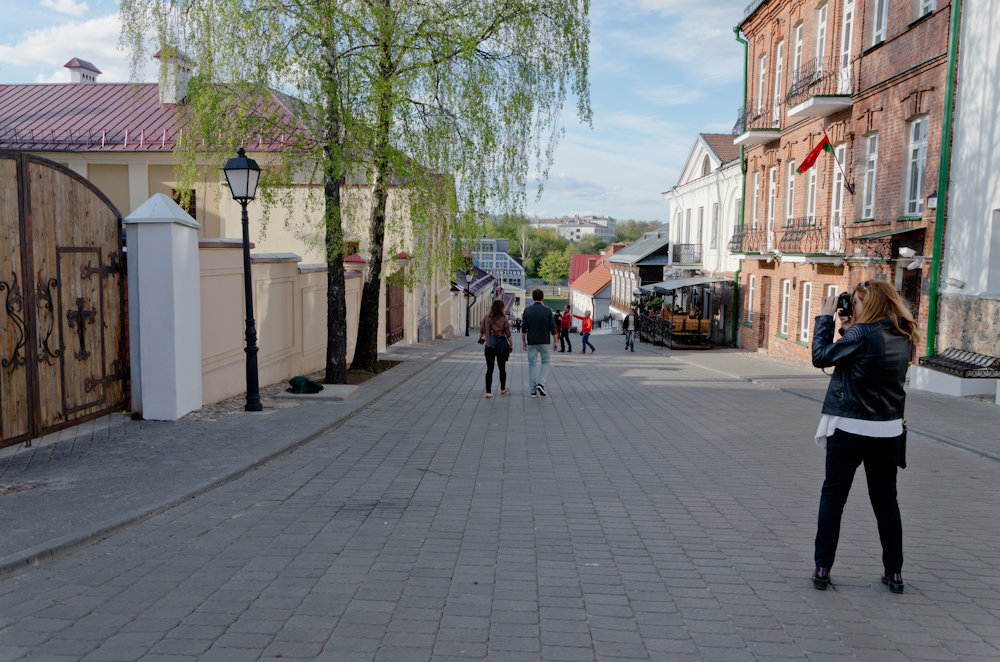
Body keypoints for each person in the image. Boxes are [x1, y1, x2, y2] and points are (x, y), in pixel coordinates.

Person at [810, 280, 919, 594]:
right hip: (888, 430)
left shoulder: (862, 333)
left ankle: (822, 568)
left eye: (856, 303)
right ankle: (894, 573)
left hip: (851, 427)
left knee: (833, 497)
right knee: (886, 502)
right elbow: (867, 360)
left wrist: (824, 319)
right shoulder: (903, 333)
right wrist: (849, 329)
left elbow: (821, 357)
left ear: (868, 305)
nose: (851, 308)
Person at [521, 289, 556, 397]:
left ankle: (532, 391)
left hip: (532, 341)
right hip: (544, 341)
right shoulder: (548, 311)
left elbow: (523, 329)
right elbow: (553, 328)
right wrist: (555, 341)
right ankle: (541, 383)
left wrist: (524, 342)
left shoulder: (527, 311)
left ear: (532, 298)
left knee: (532, 365)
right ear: (543, 298)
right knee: (545, 362)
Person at [478, 300, 512, 398]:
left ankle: (488, 392)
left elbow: (481, 332)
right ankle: (502, 388)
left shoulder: (485, 318)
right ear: (502, 308)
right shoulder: (503, 319)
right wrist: (511, 344)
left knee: (489, 369)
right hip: (501, 347)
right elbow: (508, 334)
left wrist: (480, 340)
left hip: (489, 346)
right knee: (502, 368)